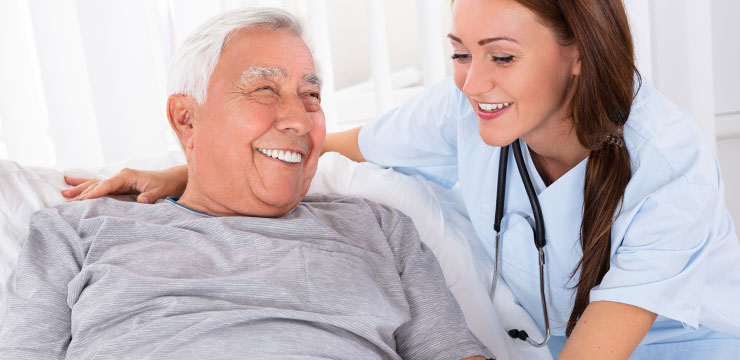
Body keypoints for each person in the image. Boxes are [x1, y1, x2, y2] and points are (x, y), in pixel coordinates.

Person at [62, 0, 740, 359]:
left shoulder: (667, 165)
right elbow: (325, 145)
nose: (474, 82)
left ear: (576, 57)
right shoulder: (464, 110)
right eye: (459, 54)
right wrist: (188, 173)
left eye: (501, 56)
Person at [0, 8, 493, 360]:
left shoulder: (378, 226)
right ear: (185, 119)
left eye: (312, 94)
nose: (299, 120)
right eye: (263, 89)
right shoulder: (76, 230)